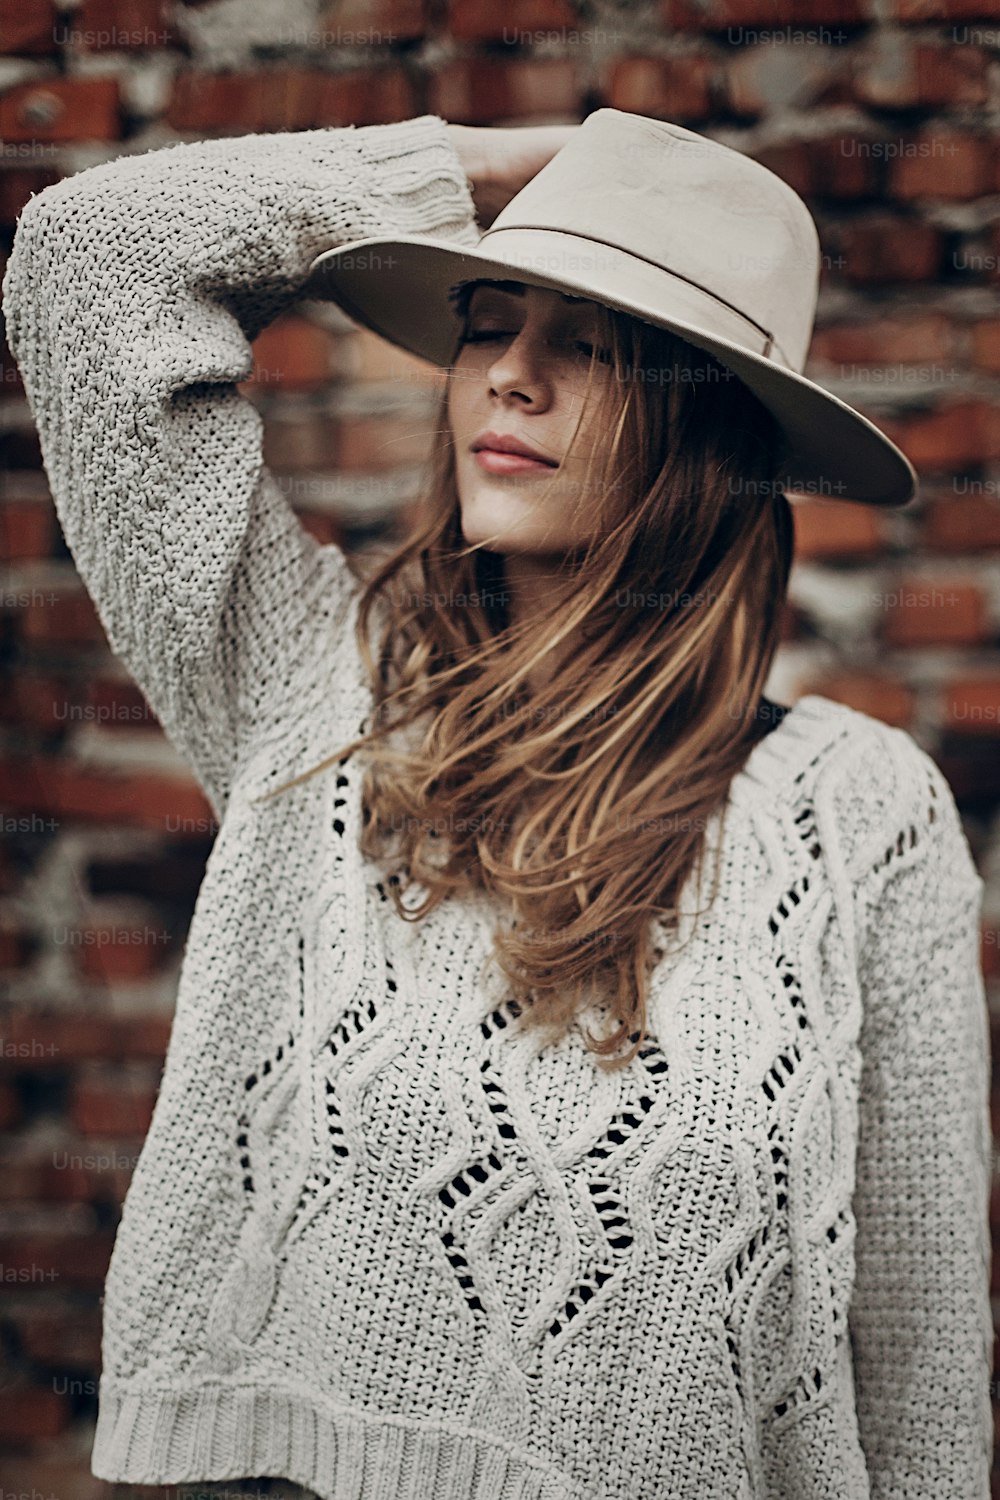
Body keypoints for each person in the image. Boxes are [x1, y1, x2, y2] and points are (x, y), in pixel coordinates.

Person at [3, 107, 991, 1500]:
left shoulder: (857, 808)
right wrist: (486, 164)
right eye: (486, 322)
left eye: (587, 344)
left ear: (706, 420)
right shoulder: (320, 699)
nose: (506, 381)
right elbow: (88, 256)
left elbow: (920, 1352)